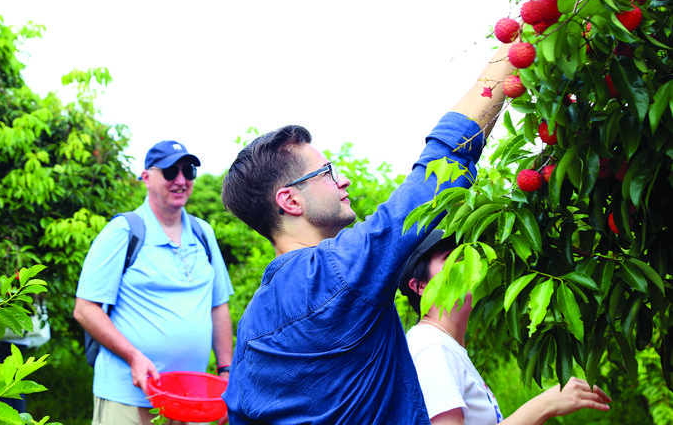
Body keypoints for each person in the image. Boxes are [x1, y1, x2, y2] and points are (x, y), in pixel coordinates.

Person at [219, 43, 516, 424]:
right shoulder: (333, 271)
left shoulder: (252, 322)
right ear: (290, 201)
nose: (341, 180)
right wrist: (511, 54)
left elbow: (239, 411)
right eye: (326, 173)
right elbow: (433, 180)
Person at [73, 140, 234, 425]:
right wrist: (134, 356)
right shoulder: (123, 232)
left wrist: (226, 370)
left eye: (189, 171)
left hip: (191, 398)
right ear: (146, 178)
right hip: (128, 396)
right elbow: (85, 309)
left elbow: (218, 305)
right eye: (171, 171)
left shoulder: (203, 233)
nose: (181, 180)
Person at [399, 229, 612, 425]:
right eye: (450, 258)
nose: (465, 262)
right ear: (419, 286)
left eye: (464, 254)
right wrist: (544, 405)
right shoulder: (430, 347)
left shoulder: (445, 346)